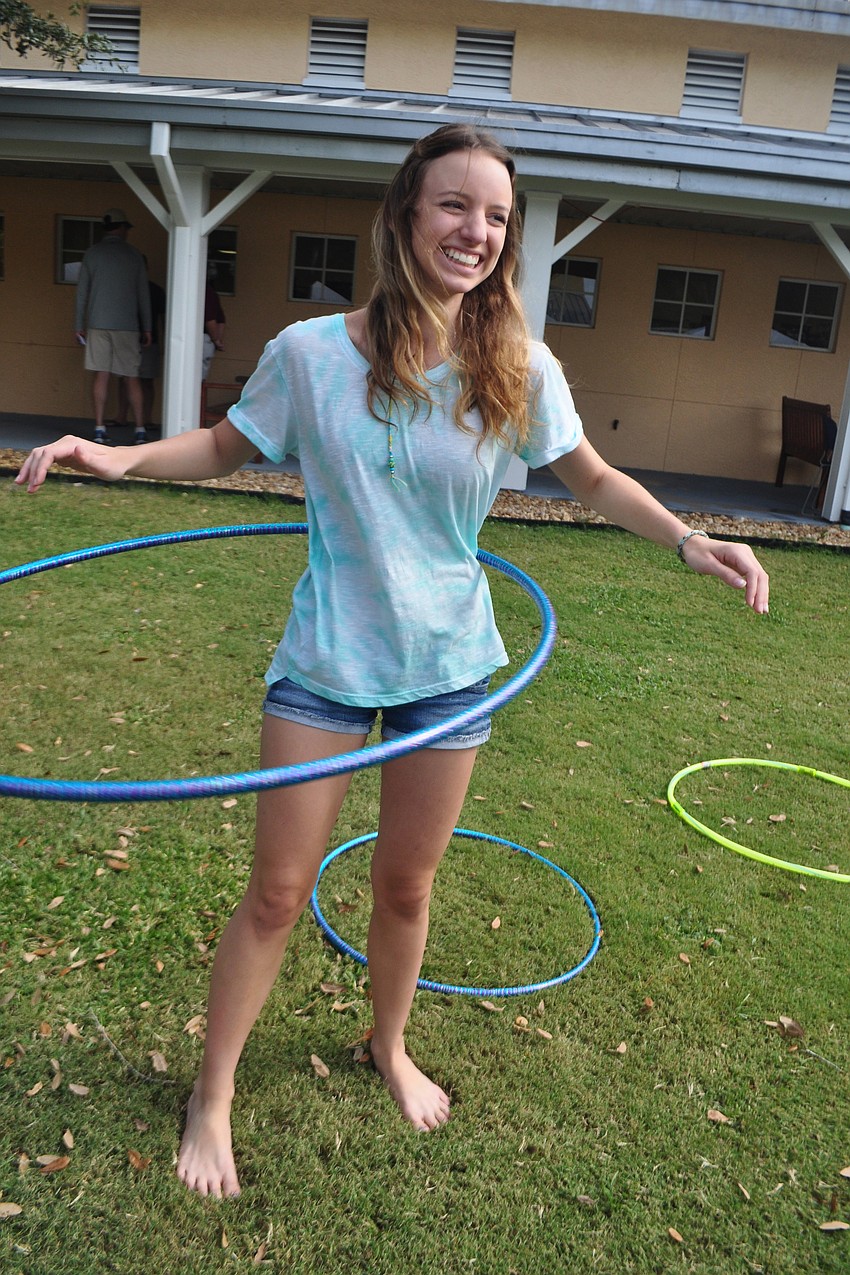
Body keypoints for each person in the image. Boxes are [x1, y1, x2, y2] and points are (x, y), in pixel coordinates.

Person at [17, 124, 770, 1200]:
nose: (476, 231)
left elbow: (593, 480)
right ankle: (212, 1095)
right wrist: (123, 452)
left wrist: (692, 540)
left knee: (406, 886)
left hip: (452, 661)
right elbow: (230, 445)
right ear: (408, 214)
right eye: (455, 206)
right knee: (277, 894)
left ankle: (389, 1045)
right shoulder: (312, 354)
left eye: (496, 216)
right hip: (328, 657)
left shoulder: (514, 363)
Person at [74, 208, 152, 445]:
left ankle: (99, 427)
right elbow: (143, 294)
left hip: (98, 323)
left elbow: (82, 293)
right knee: (131, 377)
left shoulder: (92, 254)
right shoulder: (134, 255)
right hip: (127, 325)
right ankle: (139, 429)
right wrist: (147, 326)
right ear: (121, 228)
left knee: (102, 375)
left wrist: (79, 324)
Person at [114, 273, 166, 435]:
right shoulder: (126, 290)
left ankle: (145, 419)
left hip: (147, 340)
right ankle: (126, 417)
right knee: (127, 379)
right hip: (131, 337)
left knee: (142, 380)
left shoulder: (155, 290)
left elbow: (164, 318)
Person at [202, 270, 226, 380]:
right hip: (206, 341)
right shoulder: (211, 293)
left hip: (201, 339)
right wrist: (217, 340)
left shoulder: (205, 292)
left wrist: (215, 339)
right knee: (199, 381)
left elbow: (210, 320)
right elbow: (220, 320)